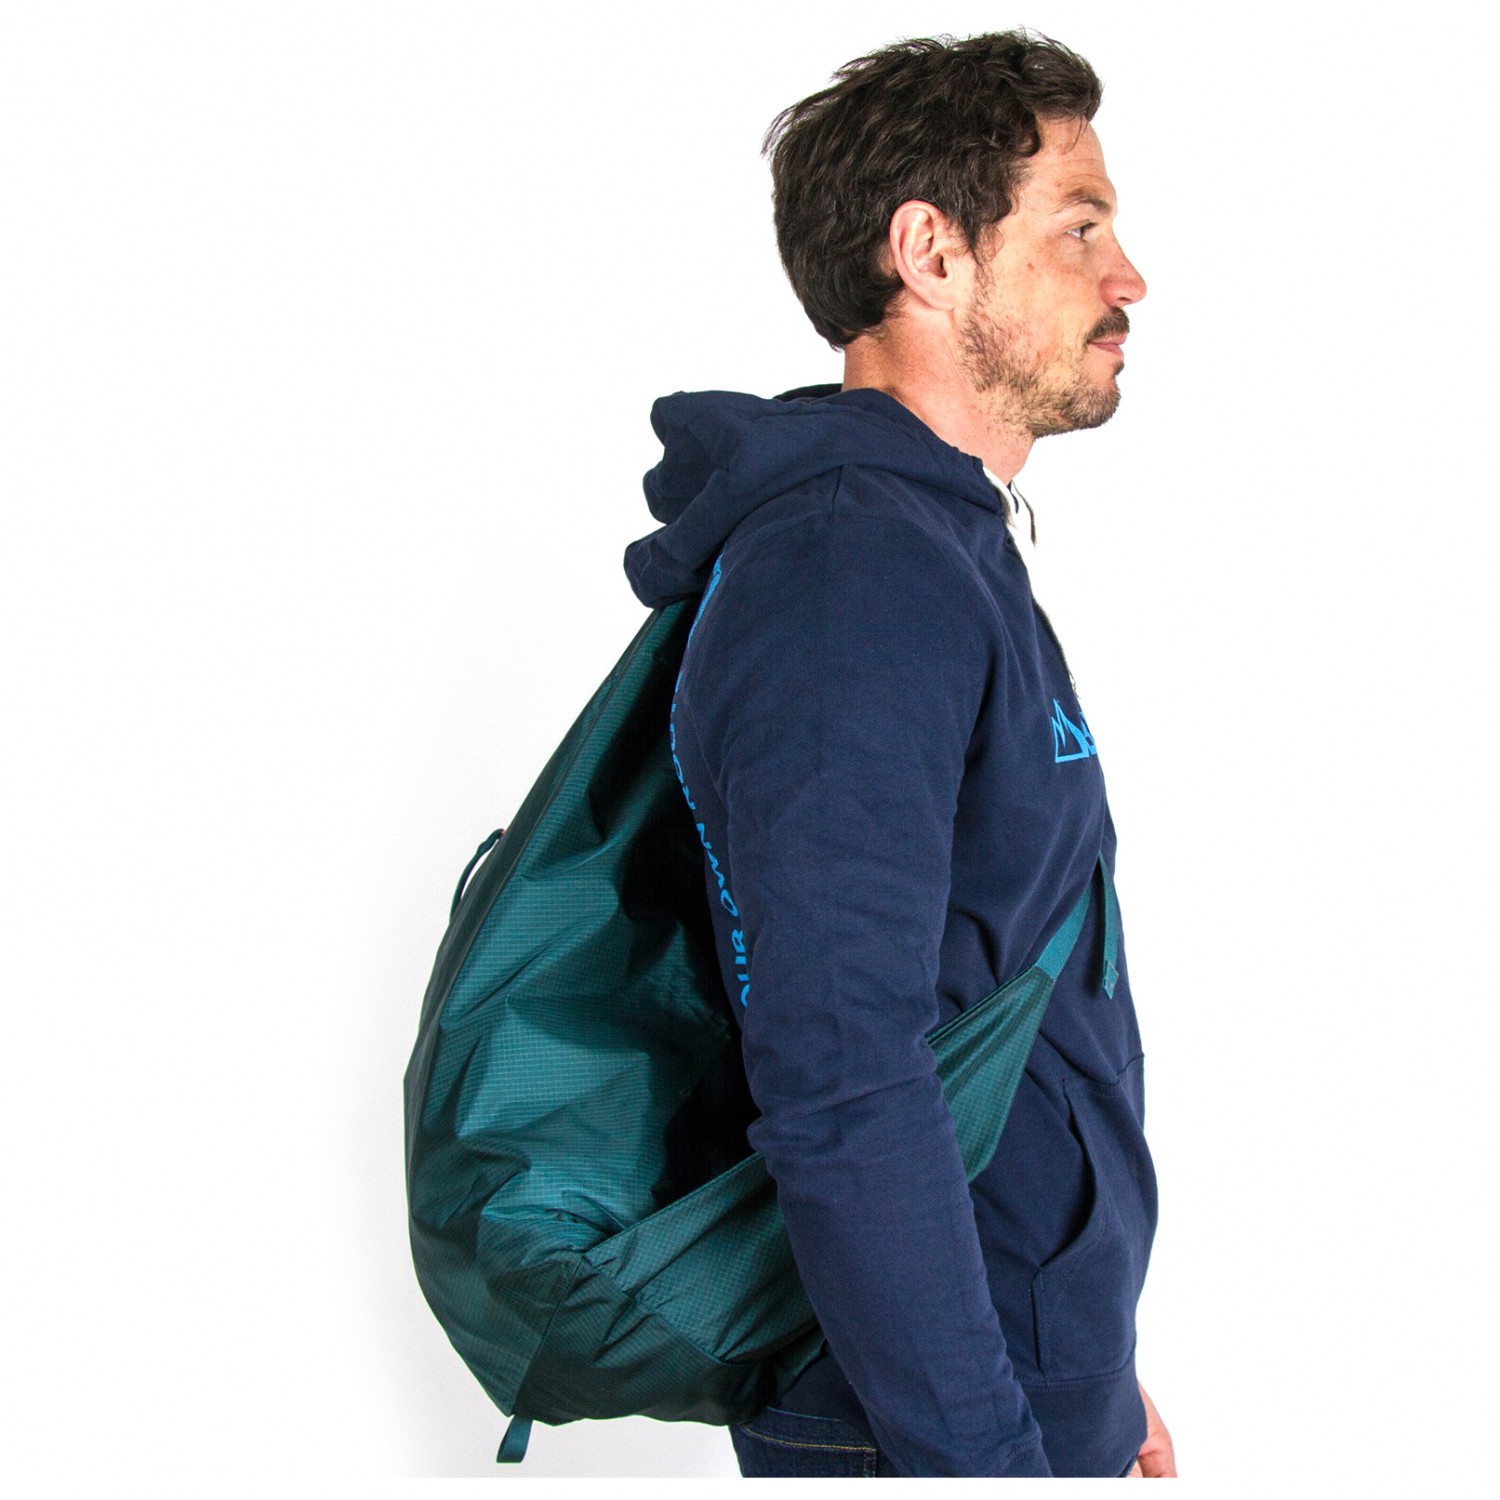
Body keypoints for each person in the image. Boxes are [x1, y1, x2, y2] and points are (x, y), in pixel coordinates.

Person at [624, 30, 1175, 1479]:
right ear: (931, 252)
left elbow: (996, 990)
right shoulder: (848, 572)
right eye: (1079, 226)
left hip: (1013, 1381)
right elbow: (841, 1074)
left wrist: (1092, 1367)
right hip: (919, 1433)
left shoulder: (934, 542)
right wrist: (984, 1455)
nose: (1127, 278)